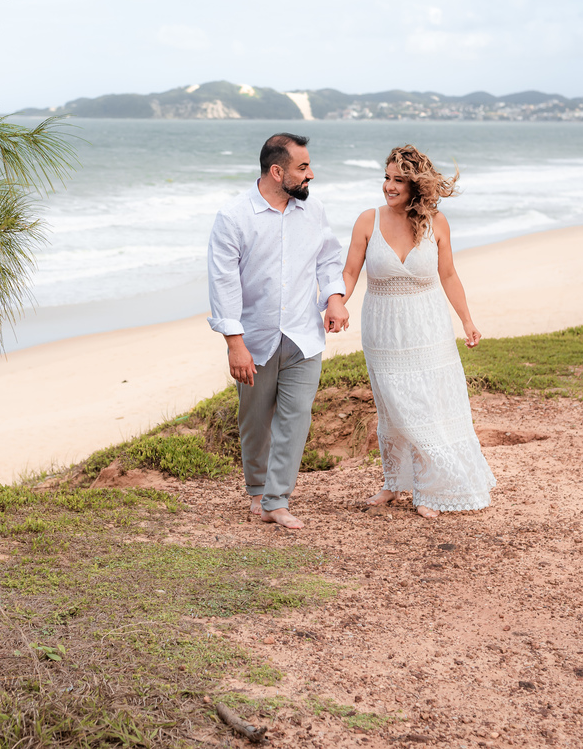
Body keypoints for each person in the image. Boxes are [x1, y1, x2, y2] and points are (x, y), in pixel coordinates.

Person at [339, 145, 496, 518]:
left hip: (429, 326)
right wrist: (337, 301)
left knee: (428, 404)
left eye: (398, 180)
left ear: (416, 186)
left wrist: (468, 321)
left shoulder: (436, 223)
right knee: (393, 407)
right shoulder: (367, 221)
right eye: (386, 178)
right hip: (383, 328)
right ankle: (394, 483)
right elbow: (349, 272)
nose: (389, 186)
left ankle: (428, 488)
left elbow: (449, 275)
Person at [207, 133, 348, 529]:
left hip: (304, 336)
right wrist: (235, 343)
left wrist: (333, 298)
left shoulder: (313, 209)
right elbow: (223, 283)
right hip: (255, 338)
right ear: (276, 171)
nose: (311, 174)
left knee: (296, 417)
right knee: (254, 420)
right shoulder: (233, 216)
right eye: (303, 168)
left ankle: (276, 500)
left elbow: (329, 259)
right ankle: (257, 488)